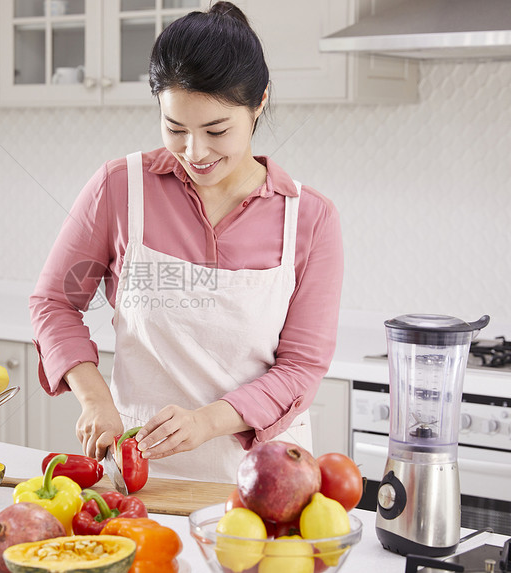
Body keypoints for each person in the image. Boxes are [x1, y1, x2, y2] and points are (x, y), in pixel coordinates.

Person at [29, 1, 343, 483]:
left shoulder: (308, 218)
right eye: (175, 129)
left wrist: (205, 422)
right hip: (146, 477)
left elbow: (301, 368)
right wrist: (95, 399)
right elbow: (54, 302)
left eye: (217, 130)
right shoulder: (120, 187)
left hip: (269, 485)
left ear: (259, 102)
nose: (195, 153)